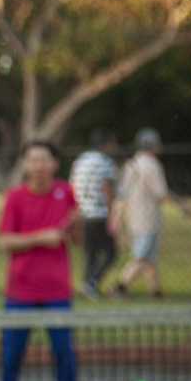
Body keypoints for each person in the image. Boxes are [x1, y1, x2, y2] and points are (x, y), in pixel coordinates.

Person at [0, 140, 82, 381]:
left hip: (57, 292)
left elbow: (77, 239)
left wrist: (75, 228)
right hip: (20, 292)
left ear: (55, 164)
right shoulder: (15, 198)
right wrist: (40, 238)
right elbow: (5, 242)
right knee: (11, 357)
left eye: (44, 160)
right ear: (25, 164)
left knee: (64, 356)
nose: (39, 166)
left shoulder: (66, 194)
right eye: (33, 160)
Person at [112, 128, 191, 299]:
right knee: (141, 256)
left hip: (133, 217)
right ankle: (120, 287)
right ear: (151, 145)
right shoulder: (151, 164)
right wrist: (181, 205)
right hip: (148, 217)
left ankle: (156, 292)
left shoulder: (131, 164)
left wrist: (117, 216)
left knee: (149, 257)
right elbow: (161, 193)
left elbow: (122, 193)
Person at [68, 129, 119, 300]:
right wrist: (112, 214)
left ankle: (88, 284)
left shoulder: (81, 161)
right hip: (99, 212)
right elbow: (106, 188)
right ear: (105, 144)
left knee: (90, 252)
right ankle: (90, 282)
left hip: (83, 211)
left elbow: (72, 184)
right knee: (111, 252)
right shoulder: (105, 162)